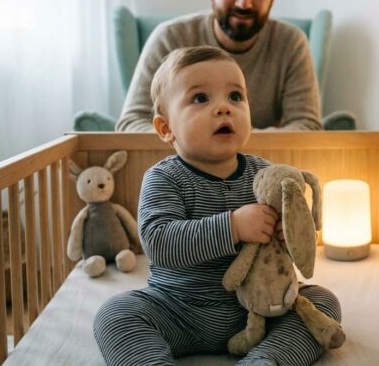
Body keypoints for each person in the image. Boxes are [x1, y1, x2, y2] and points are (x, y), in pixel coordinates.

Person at [94, 46, 341, 365]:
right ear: (165, 128)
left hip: (256, 311)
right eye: (200, 99)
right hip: (176, 310)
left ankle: (266, 359)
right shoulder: (164, 178)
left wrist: (285, 235)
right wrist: (234, 226)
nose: (224, 108)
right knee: (114, 314)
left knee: (322, 302)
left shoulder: (263, 174)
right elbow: (159, 244)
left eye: (236, 97)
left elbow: (294, 245)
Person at [116, 0, 322, 132]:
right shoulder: (169, 38)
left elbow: (307, 126)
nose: (244, 2)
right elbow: (131, 123)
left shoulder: (292, 43)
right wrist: (194, 145)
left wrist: (234, 143)